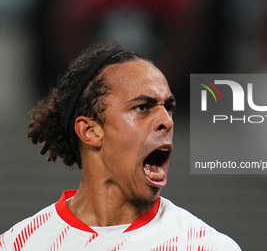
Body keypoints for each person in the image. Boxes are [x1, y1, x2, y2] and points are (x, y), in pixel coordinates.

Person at [0, 42, 241, 251]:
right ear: (90, 131)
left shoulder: (205, 245)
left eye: (168, 107)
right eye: (143, 107)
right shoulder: (20, 244)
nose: (167, 121)